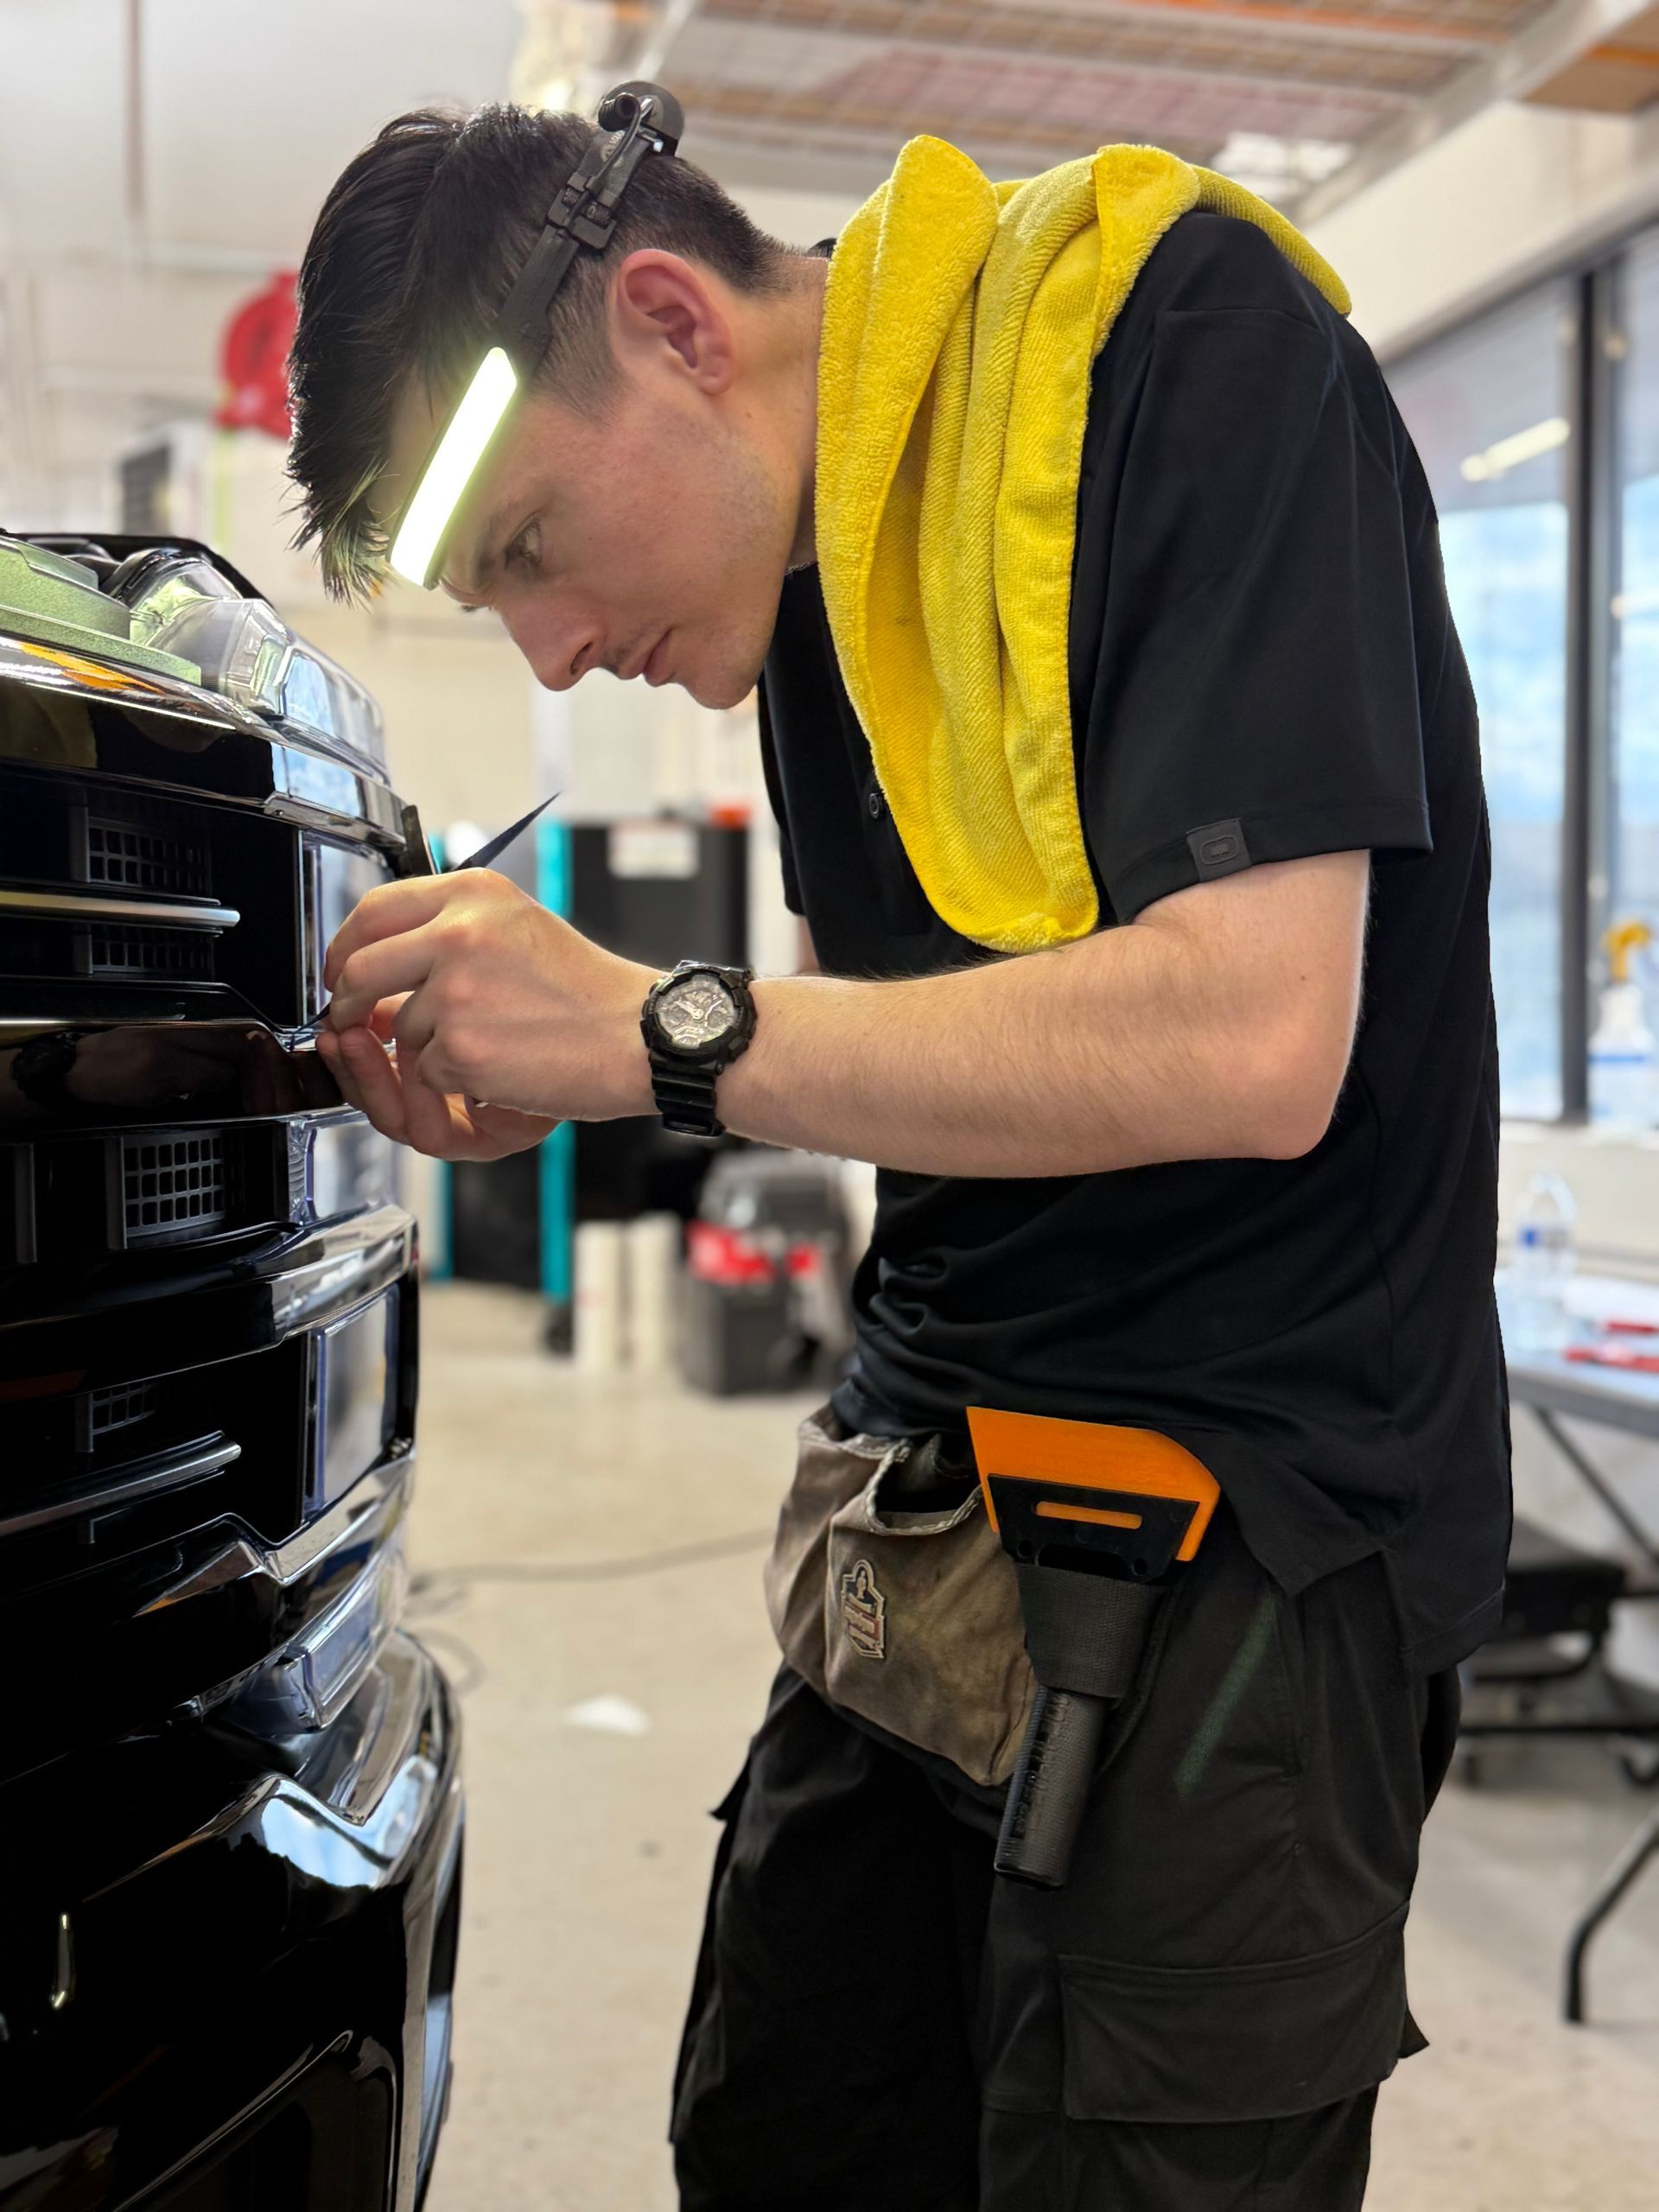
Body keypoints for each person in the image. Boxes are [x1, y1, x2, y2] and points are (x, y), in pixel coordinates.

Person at [288, 92, 1510, 2212]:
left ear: (672, 322)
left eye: (532, 555)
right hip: (922, 1503)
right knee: (783, 2129)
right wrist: (579, 1075)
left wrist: (655, 1030)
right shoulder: (819, 571)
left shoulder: (1166, 348)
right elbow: (923, 1065)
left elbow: (1251, 1034)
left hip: (1249, 1530)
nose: (555, 650)